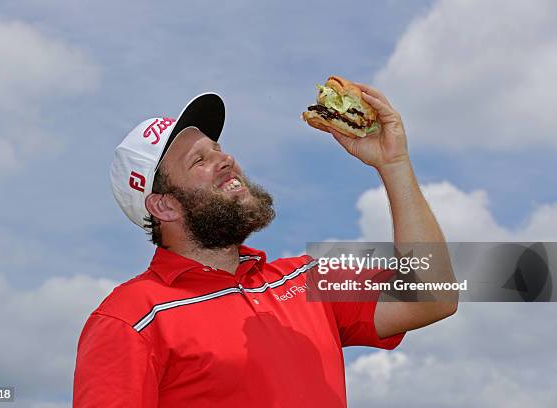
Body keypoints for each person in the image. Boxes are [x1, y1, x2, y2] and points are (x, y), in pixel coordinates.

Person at [73, 86, 458, 407]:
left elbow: (433, 296)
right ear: (164, 205)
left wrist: (394, 164)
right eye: (199, 161)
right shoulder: (128, 318)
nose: (226, 160)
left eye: (218, 148)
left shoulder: (304, 277)